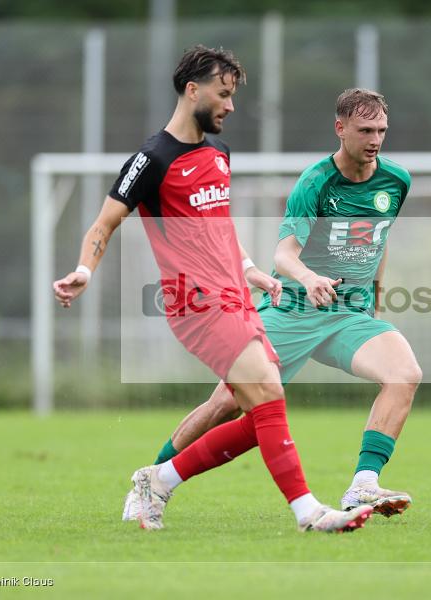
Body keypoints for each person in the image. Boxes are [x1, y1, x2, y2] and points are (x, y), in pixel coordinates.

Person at [53, 46, 373, 533]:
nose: (230, 105)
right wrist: (84, 269)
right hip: (195, 302)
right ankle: (308, 512)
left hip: (237, 297)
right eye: (223, 95)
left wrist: (249, 269)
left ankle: (158, 479)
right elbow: (104, 224)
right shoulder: (151, 158)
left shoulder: (219, 154)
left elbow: (216, 224)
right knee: (268, 393)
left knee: (256, 413)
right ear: (192, 90)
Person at [134, 88, 420, 520]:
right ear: (340, 129)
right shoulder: (315, 182)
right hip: (294, 311)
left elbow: (380, 242)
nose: (375, 138)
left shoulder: (396, 181)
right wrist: (309, 278)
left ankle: (364, 485)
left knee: (404, 374)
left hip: (347, 316)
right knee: (226, 405)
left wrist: (374, 306)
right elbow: (285, 254)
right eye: (365, 130)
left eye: (381, 129)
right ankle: (151, 481)